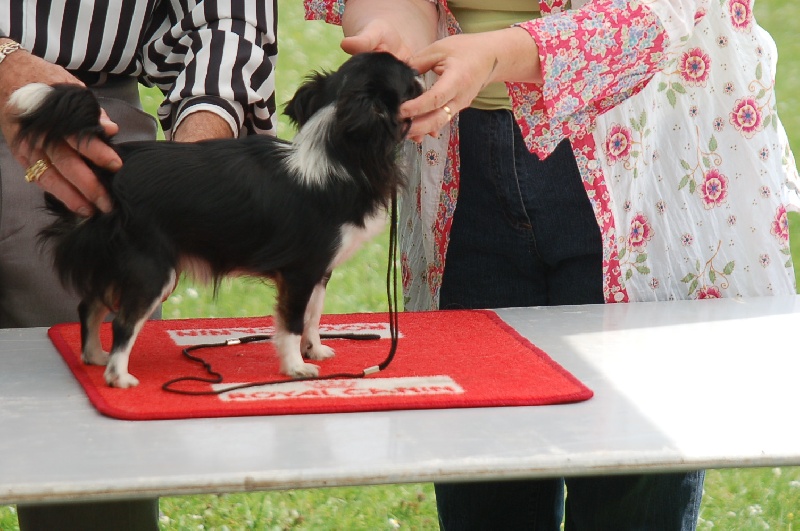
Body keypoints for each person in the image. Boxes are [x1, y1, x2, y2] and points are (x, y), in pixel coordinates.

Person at [305, 0, 800, 529]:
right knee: (487, 474)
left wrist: (495, 56)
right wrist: (395, 41)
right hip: (460, 161)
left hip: (638, 161)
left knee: (632, 476)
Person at [0, 1, 278, 529]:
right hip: (44, 91)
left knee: (92, 464)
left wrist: (193, 169)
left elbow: (227, 20)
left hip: (88, 120)